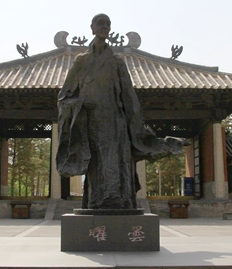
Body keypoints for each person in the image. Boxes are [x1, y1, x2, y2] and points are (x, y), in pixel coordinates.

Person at [56, 13, 184, 210]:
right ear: (92, 28)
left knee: (115, 160)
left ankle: (118, 200)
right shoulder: (82, 61)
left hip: (115, 122)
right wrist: (80, 103)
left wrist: (137, 128)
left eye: (108, 24)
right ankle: (96, 202)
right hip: (92, 122)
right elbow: (65, 96)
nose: (105, 27)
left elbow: (129, 97)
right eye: (100, 23)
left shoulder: (117, 62)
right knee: (96, 163)